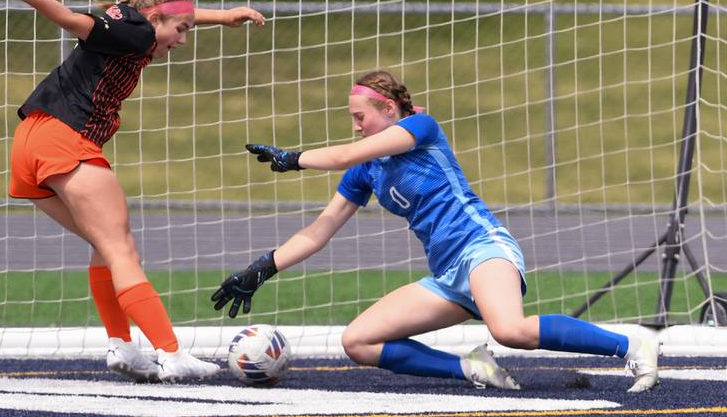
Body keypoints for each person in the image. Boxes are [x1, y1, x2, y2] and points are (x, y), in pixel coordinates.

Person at [212, 70, 659, 392]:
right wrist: (262, 268)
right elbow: (319, 231)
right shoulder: (365, 170)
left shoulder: (420, 128)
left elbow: (347, 153)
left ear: (389, 109)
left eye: (360, 116)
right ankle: (472, 369)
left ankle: (632, 343)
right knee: (359, 341)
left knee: (510, 330)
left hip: (483, 248)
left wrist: (294, 158)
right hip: (447, 274)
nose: (355, 124)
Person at [0, 0, 265, 383]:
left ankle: (122, 345)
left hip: (31, 143)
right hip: (65, 139)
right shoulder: (135, 32)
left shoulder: (138, 24)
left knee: (109, 247)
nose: (183, 40)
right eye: (182, 30)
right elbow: (71, 20)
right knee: (121, 248)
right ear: (156, 18)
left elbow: (171, 16)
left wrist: (224, 16)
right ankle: (170, 352)